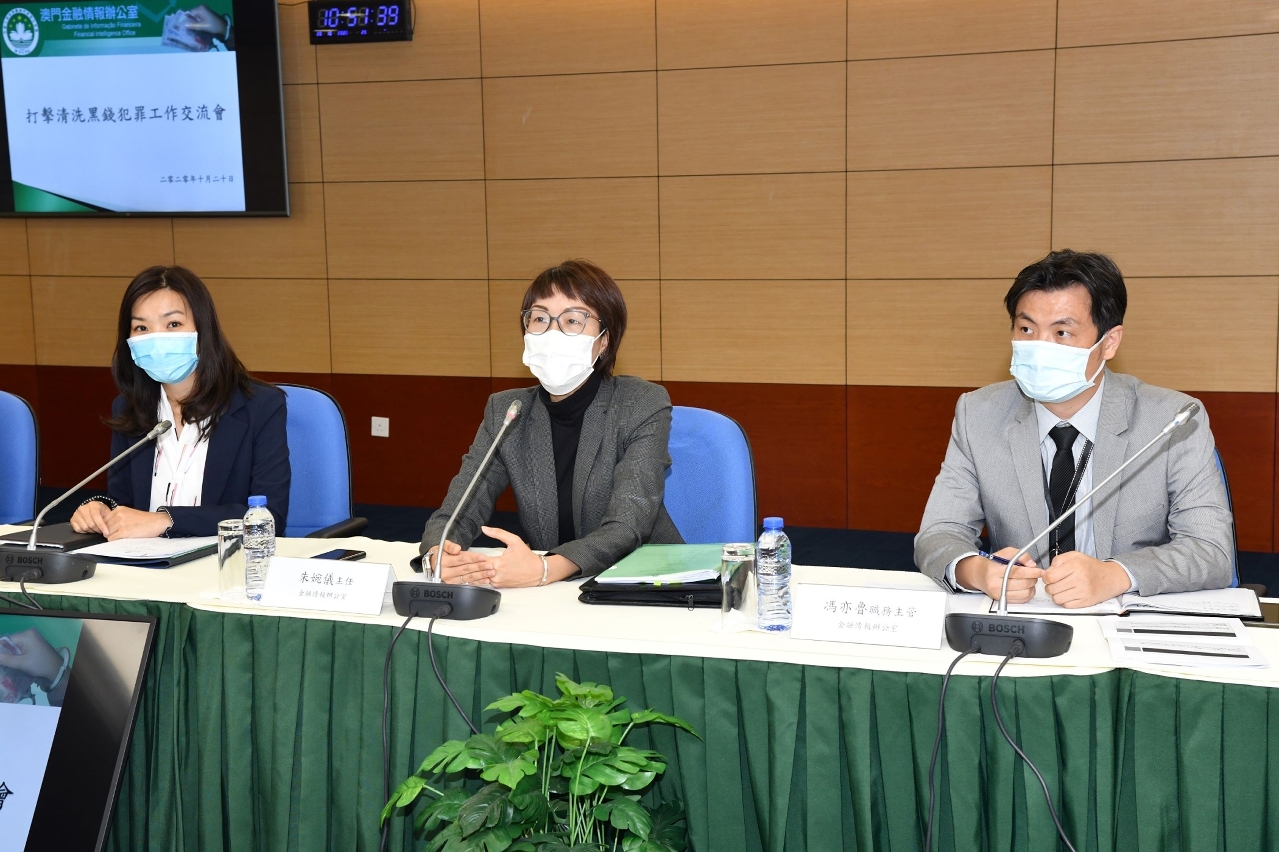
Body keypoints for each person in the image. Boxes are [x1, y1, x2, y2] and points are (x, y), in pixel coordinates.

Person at [915, 250, 1234, 607]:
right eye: (1026, 329)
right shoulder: (978, 414)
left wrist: (1116, 575)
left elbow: (1211, 550)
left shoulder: (1170, 419)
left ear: (1109, 342)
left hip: (1126, 615)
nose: (1040, 347)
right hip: (1024, 613)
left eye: (1062, 332)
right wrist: (977, 571)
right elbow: (939, 533)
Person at [421, 260, 683, 587]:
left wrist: (545, 569)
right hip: (554, 590)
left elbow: (627, 525)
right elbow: (460, 508)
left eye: (572, 320)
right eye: (540, 318)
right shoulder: (507, 410)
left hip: (644, 582)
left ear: (604, 340)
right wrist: (439, 553)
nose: (552, 333)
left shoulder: (640, 402)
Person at [69, 266, 289, 540]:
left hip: (222, 559)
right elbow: (123, 503)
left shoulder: (260, 407)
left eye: (173, 324)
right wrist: (101, 510)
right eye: (141, 327)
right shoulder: (129, 408)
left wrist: (167, 520)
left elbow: (269, 517)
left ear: (203, 329)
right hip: (145, 561)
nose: (157, 339)